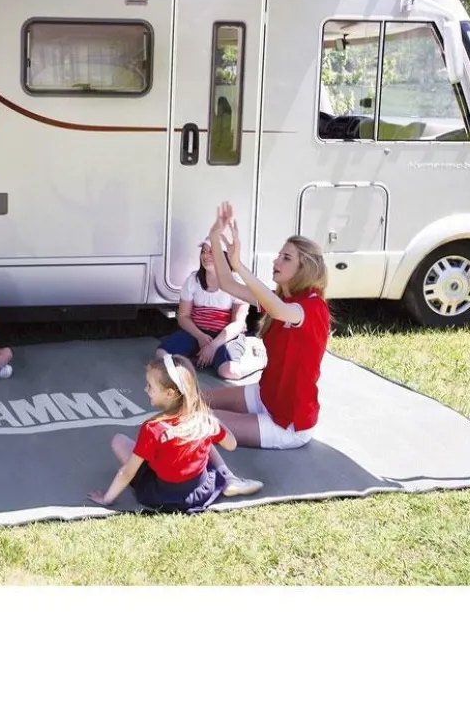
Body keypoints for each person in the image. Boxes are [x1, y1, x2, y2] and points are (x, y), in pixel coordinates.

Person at [202, 201, 330, 449]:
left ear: (304, 268)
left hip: (288, 423)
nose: (276, 261)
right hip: (265, 395)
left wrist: (239, 265)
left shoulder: (312, 307)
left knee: (198, 422)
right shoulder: (283, 299)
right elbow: (227, 284)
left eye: (286, 258)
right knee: (196, 400)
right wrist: (215, 236)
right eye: (279, 255)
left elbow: (279, 311)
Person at [86, 354, 263, 513]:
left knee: (118, 441)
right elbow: (231, 444)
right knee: (202, 433)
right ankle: (228, 477)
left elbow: (127, 472)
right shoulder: (202, 420)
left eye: (150, 386)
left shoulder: (153, 428)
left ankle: (228, 479)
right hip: (200, 492)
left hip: (163, 496)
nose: (146, 390)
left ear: (170, 393)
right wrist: (212, 419)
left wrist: (106, 499)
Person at [157, 236, 267, 381]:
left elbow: (238, 323)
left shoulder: (236, 282)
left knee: (229, 372)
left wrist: (213, 346)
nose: (205, 256)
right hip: (197, 333)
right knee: (161, 356)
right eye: (203, 251)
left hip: (225, 337)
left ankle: (259, 360)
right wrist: (200, 336)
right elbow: (183, 317)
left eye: (211, 252)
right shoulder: (193, 280)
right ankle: (203, 358)